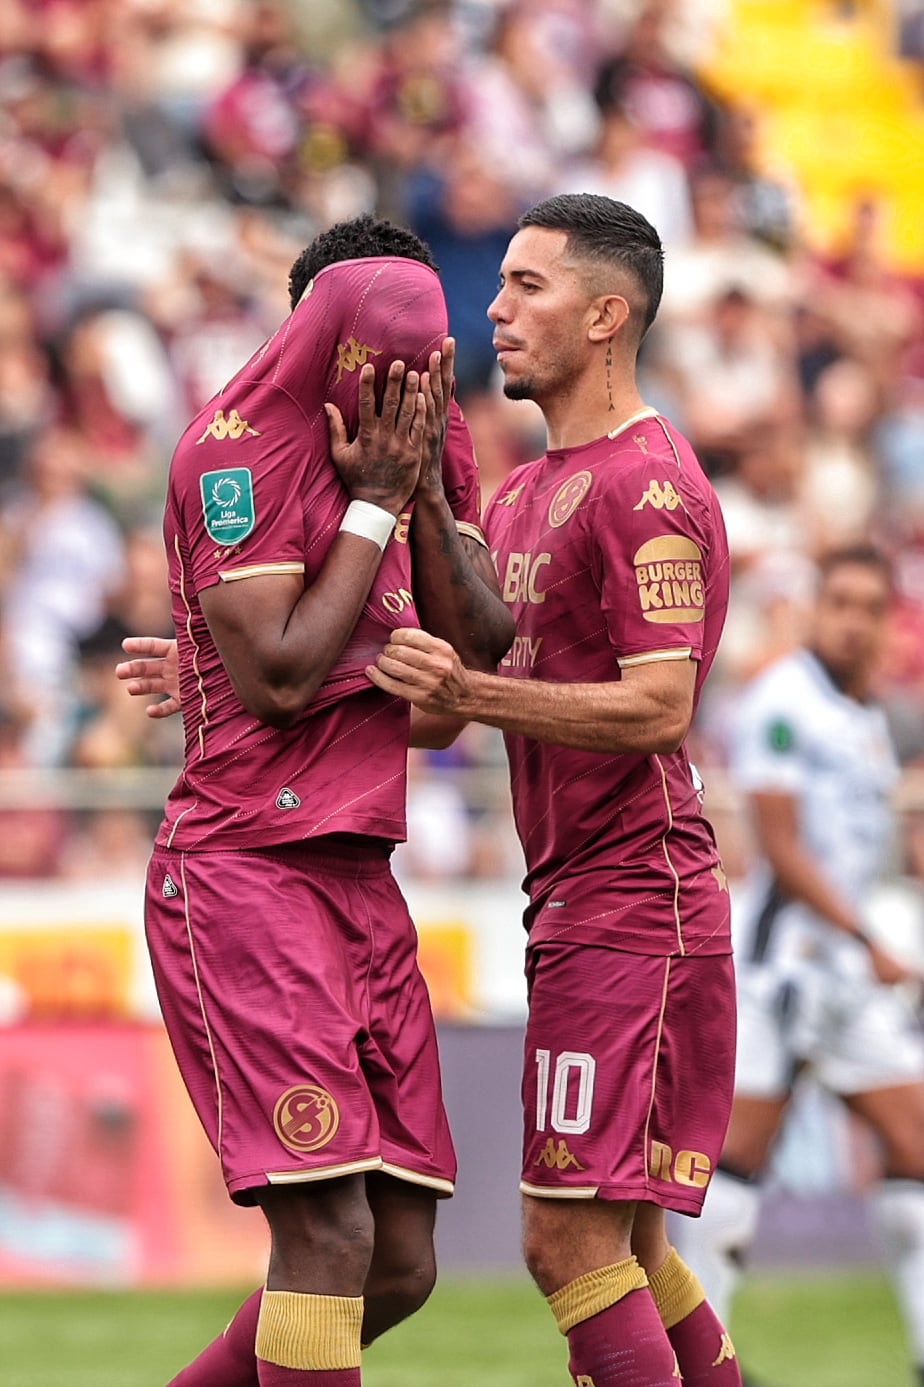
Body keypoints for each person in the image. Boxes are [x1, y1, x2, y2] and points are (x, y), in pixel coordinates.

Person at [120, 214, 513, 1387]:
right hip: (247, 869)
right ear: (314, 332)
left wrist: (423, 490)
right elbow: (283, 676)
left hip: (361, 873)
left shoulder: (423, 438)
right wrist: (374, 503)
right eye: (375, 341)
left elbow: (474, 663)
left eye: (421, 348)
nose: (397, 370)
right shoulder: (230, 452)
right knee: (330, 1238)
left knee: (399, 1263)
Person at [366, 193, 742, 1387]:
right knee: (628, 1245)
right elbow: (441, 708)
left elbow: (658, 707)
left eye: (528, 285)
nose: (496, 308)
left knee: (564, 1238)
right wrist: (248, 691)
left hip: (638, 900)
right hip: (581, 900)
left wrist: (473, 692)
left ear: (607, 315)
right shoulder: (526, 491)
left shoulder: (650, 484)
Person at [670, 544, 924, 1386]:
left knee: (915, 1143)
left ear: (887, 622)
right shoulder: (784, 701)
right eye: (839, 602)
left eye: (869, 607)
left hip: (846, 975)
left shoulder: (864, 714)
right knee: (733, 1167)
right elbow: (781, 845)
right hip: (785, 968)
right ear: (815, 608)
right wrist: (868, 937)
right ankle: (698, 1359)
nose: (853, 621)